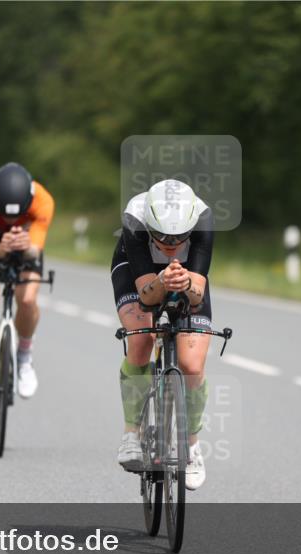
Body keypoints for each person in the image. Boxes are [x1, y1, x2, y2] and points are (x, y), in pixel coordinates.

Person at [112, 179, 214, 490]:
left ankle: (192, 447)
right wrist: (160, 281)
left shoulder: (203, 218)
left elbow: (197, 292)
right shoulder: (135, 219)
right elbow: (145, 294)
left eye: (179, 239)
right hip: (136, 272)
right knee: (141, 340)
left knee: (192, 365)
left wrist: (185, 285)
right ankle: (131, 434)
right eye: (164, 239)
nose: (171, 246)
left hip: (184, 274)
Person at [0, 162, 54, 413]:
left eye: (17, 215)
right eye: (5, 215)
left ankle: (24, 357)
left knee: (26, 299)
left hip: (26, 241)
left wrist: (24, 246)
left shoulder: (43, 201)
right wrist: (0, 249)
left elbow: (35, 250)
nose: (11, 220)